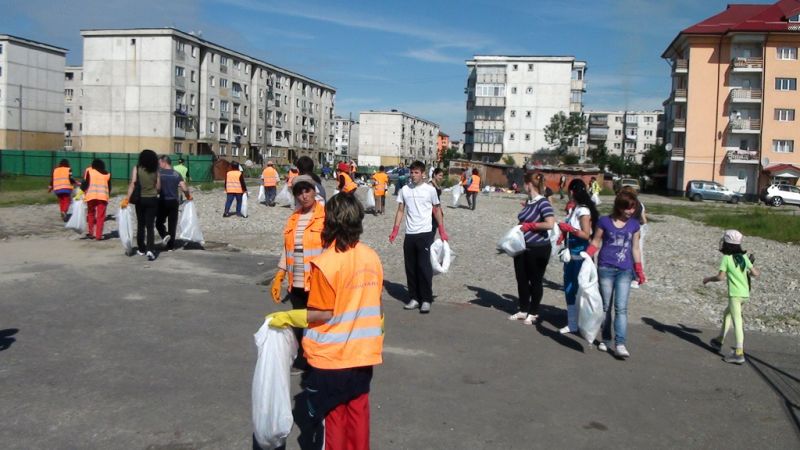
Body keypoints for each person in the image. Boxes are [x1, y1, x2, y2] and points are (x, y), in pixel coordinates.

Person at [266, 193, 383, 449]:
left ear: (329, 222)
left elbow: (322, 312)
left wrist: (288, 316)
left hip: (332, 357)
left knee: (334, 419)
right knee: (358, 413)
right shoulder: (371, 257)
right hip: (364, 355)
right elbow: (374, 302)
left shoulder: (326, 263)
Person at [270, 175, 325, 372]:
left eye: (306, 191)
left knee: (316, 323)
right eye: (299, 192)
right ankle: (303, 359)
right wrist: (280, 275)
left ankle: (317, 360)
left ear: (313, 191)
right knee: (298, 321)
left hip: (317, 281)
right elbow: (288, 249)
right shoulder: (293, 218)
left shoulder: (325, 216)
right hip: (297, 280)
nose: (303, 196)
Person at [585, 190, 645, 358]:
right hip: (605, 268)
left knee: (621, 308)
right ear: (619, 207)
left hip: (625, 270)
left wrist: (639, 270)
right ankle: (605, 339)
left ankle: (620, 343)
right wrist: (586, 255)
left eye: (633, 208)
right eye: (628, 208)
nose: (631, 211)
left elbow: (635, 248)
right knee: (605, 307)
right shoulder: (604, 221)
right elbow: (596, 241)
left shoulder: (634, 225)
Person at [389, 160, 448, 314]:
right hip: (410, 234)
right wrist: (395, 230)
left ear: (423, 174)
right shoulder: (405, 190)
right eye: (412, 172)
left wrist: (441, 230)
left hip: (425, 233)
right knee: (411, 268)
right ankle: (414, 297)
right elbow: (401, 210)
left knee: (423, 267)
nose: (413, 175)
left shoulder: (430, 190)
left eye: (416, 173)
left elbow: (437, 210)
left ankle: (426, 299)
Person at [703, 230, 759, 365]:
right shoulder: (744, 257)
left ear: (726, 244)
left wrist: (708, 279)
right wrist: (747, 269)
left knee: (737, 321)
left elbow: (720, 277)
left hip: (735, 295)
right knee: (727, 313)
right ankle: (719, 339)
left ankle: (739, 352)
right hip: (745, 294)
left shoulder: (726, 258)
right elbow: (755, 273)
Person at [510, 173, 555, 325]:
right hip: (522, 246)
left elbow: (550, 223)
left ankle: (534, 311)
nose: (523, 186)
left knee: (535, 280)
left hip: (538, 248)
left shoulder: (543, 202)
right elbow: (522, 220)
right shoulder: (529, 202)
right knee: (521, 279)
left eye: (524, 183)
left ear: (529, 184)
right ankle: (523, 309)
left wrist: (531, 226)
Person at [556, 179, 598, 334]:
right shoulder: (575, 209)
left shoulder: (583, 211)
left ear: (572, 191)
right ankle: (572, 323)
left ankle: (584, 322)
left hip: (580, 255)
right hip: (570, 254)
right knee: (569, 288)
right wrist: (563, 233)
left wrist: (570, 229)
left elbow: (586, 234)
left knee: (580, 289)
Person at [123, 150, 160, 260]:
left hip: (140, 200)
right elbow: (158, 187)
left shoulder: (137, 168)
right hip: (152, 199)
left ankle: (141, 248)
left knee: (141, 224)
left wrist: (127, 199)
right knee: (150, 225)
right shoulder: (156, 170)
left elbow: (133, 184)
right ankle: (150, 249)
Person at [156, 156, 191, 251]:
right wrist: (188, 196)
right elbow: (184, 188)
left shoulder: (159, 174)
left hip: (163, 200)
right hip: (174, 202)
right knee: (172, 224)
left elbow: (157, 188)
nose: (159, 165)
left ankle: (165, 234)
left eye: (160, 163)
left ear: (164, 162)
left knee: (159, 222)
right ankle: (171, 247)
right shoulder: (176, 174)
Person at [621, 186, 648, 288]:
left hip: (632, 230)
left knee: (633, 252)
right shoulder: (640, 204)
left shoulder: (630, 205)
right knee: (637, 251)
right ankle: (639, 274)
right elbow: (644, 220)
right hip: (639, 229)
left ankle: (636, 277)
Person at [83, 158, 112, 240]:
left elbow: (85, 183)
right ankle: (98, 235)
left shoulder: (90, 172)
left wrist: (81, 192)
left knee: (91, 214)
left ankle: (91, 233)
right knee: (100, 216)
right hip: (102, 197)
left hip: (91, 196)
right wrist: (107, 196)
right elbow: (109, 187)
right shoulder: (107, 174)